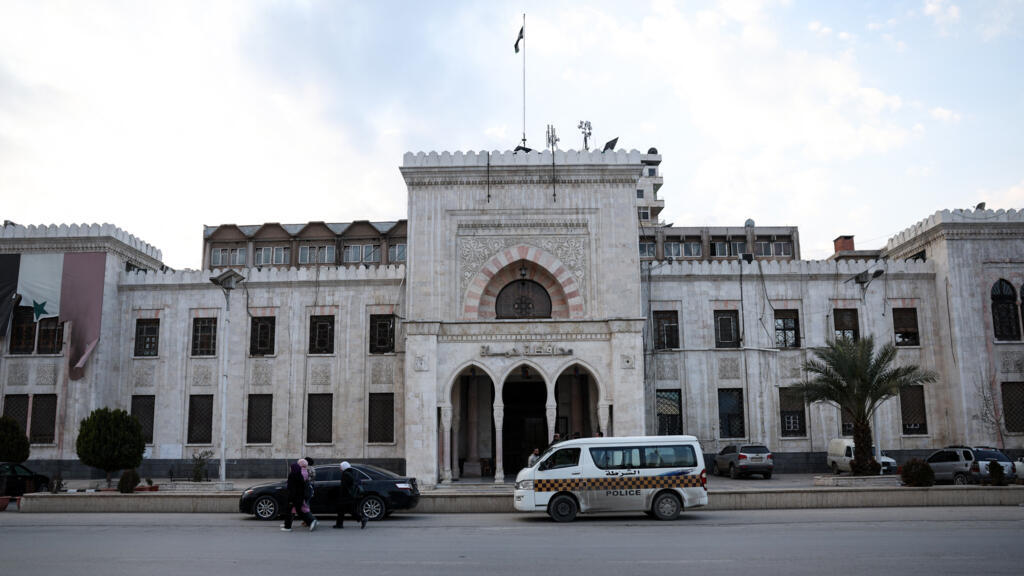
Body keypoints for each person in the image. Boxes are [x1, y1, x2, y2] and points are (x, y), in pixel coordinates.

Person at [281, 462, 317, 532]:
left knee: (290, 512)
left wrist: (291, 499)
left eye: (291, 468)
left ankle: (287, 527)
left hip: (293, 498)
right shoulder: (299, 475)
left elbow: (292, 489)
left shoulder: (292, 475)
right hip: (299, 498)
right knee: (299, 511)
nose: (290, 469)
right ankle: (310, 521)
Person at [334, 461, 366, 529]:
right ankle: (339, 524)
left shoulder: (346, 474)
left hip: (346, 496)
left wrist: (342, 494)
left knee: (347, 510)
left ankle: (362, 518)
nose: (340, 468)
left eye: (341, 467)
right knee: (343, 510)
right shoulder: (351, 472)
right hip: (349, 495)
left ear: (344, 467)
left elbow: (346, 486)